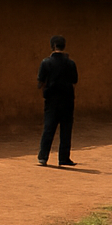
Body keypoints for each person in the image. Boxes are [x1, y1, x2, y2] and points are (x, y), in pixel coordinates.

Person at [37, 35, 78, 167]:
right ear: (63, 46)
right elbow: (74, 81)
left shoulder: (46, 63)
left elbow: (40, 82)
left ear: (53, 46)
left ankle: (43, 157)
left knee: (49, 128)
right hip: (67, 100)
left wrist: (45, 90)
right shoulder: (71, 63)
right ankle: (64, 158)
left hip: (52, 100)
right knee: (66, 129)